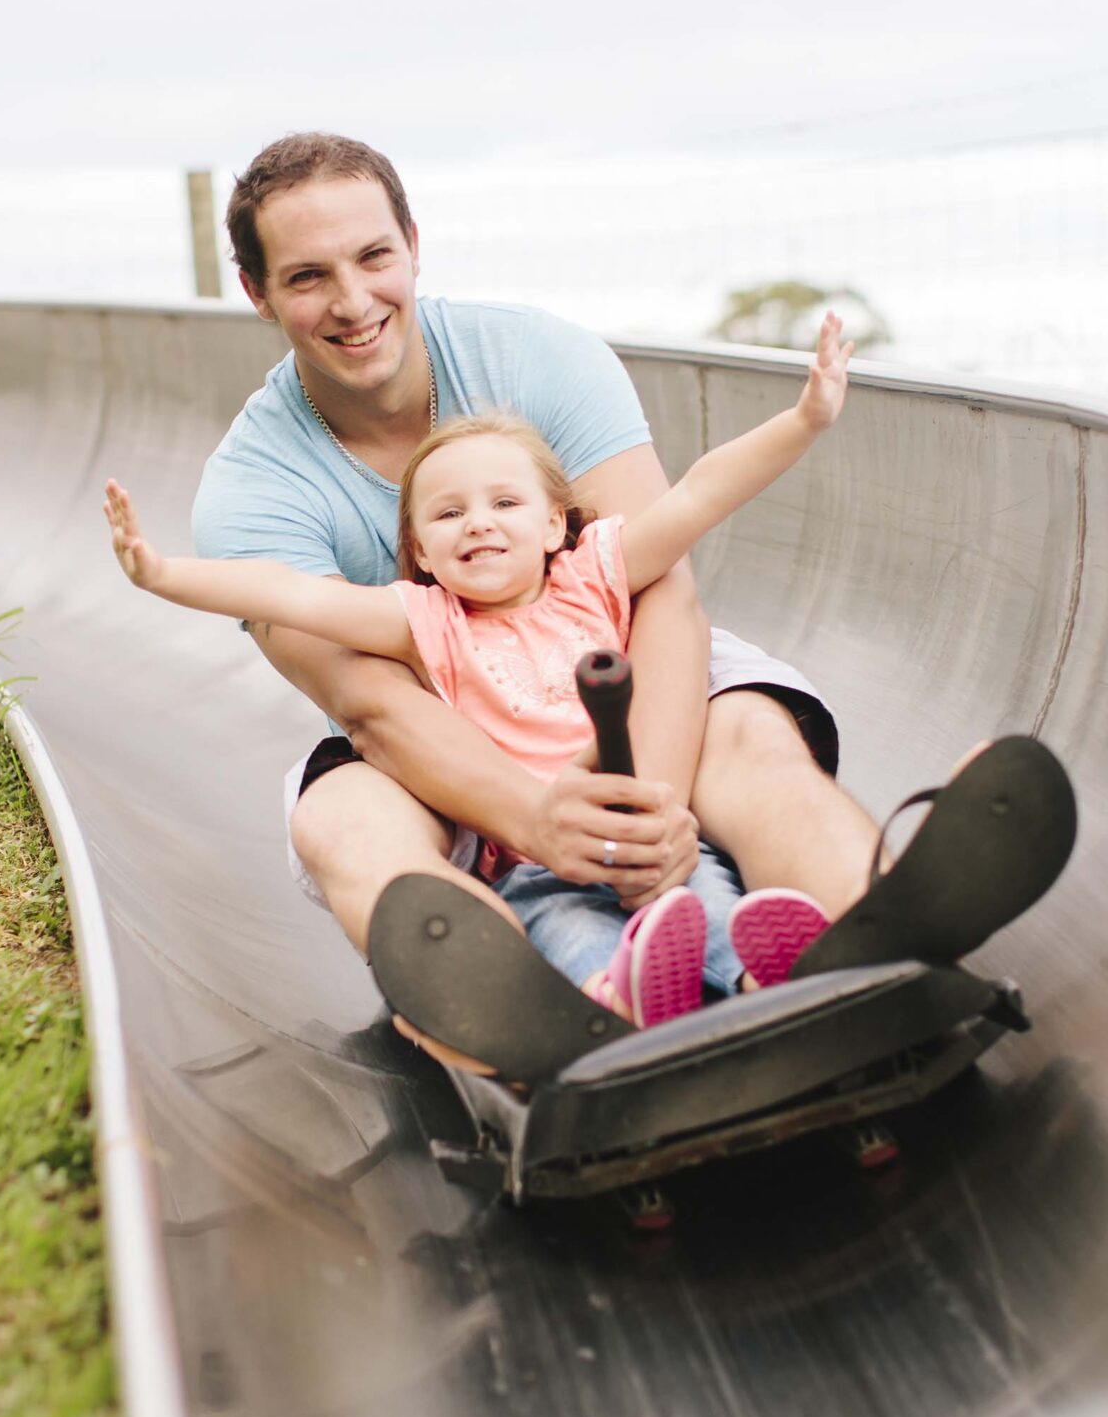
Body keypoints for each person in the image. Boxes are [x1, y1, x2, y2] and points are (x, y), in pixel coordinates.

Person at [187, 133, 888, 1062]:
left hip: (612, 662)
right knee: (341, 822)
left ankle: (864, 939)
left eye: (373, 258)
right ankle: (521, 1023)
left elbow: (658, 589)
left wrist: (648, 805)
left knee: (755, 740)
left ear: (413, 245)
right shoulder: (252, 490)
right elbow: (372, 704)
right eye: (309, 276)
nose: (353, 302)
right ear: (259, 291)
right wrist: (535, 822)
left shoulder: (539, 358)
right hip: (441, 713)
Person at [106, 312, 856, 1026]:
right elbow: (289, 591)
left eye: (503, 501)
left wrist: (805, 421)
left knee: (702, 901)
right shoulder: (424, 622)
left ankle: (766, 980)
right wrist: (163, 573)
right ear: (422, 553)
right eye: (448, 513)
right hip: (533, 860)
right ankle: (616, 1005)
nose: (479, 522)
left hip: (649, 843)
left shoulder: (597, 572)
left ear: (555, 522)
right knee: (567, 932)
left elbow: (699, 493)